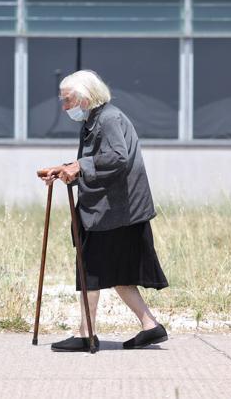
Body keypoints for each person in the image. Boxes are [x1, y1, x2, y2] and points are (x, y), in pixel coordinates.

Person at [37, 69, 169, 352]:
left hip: (114, 211)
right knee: (116, 273)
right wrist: (64, 169)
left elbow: (116, 157)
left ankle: (87, 333)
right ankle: (151, 326)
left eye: (68, 100)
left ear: (84, 98)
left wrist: (79, 167)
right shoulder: (96, 119)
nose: (65, 107)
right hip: (116, 211)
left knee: (91, 269)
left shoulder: (108, 119)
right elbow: (95, 160)